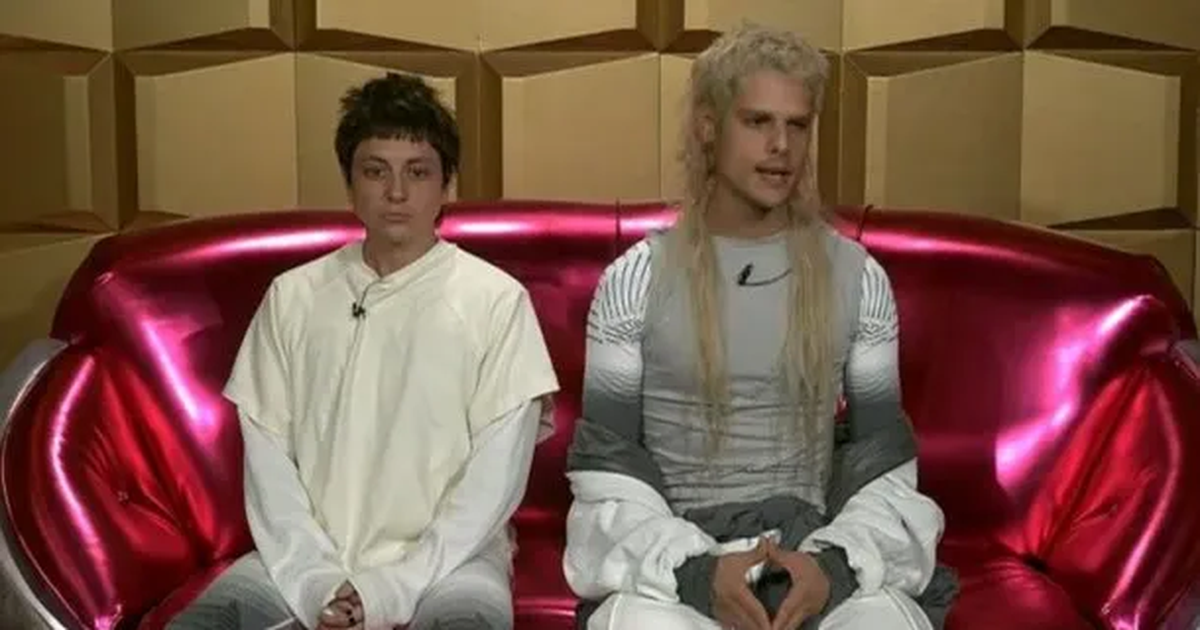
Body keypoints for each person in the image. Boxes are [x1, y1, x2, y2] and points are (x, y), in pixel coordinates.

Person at [562, 23, 958, 630]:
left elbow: (883, 468)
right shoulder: (632, 282)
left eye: (797, 125)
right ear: (708, 126)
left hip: (813, 556)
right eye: (757, 122)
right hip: (677, 567)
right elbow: (606, 475)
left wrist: (832, 570)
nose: (781, 146)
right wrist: (697, 575)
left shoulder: (859, 278)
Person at [167, 72, 560, 630]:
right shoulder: (293, 296)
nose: (396, 193)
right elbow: (268, 464)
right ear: (351, 185)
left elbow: (491, 486)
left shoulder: (496, 301)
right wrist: (316, 579)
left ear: (446, 186)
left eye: (417, 172)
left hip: (452, 565)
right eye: (376, 171)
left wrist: (389, 588)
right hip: (301, 561)